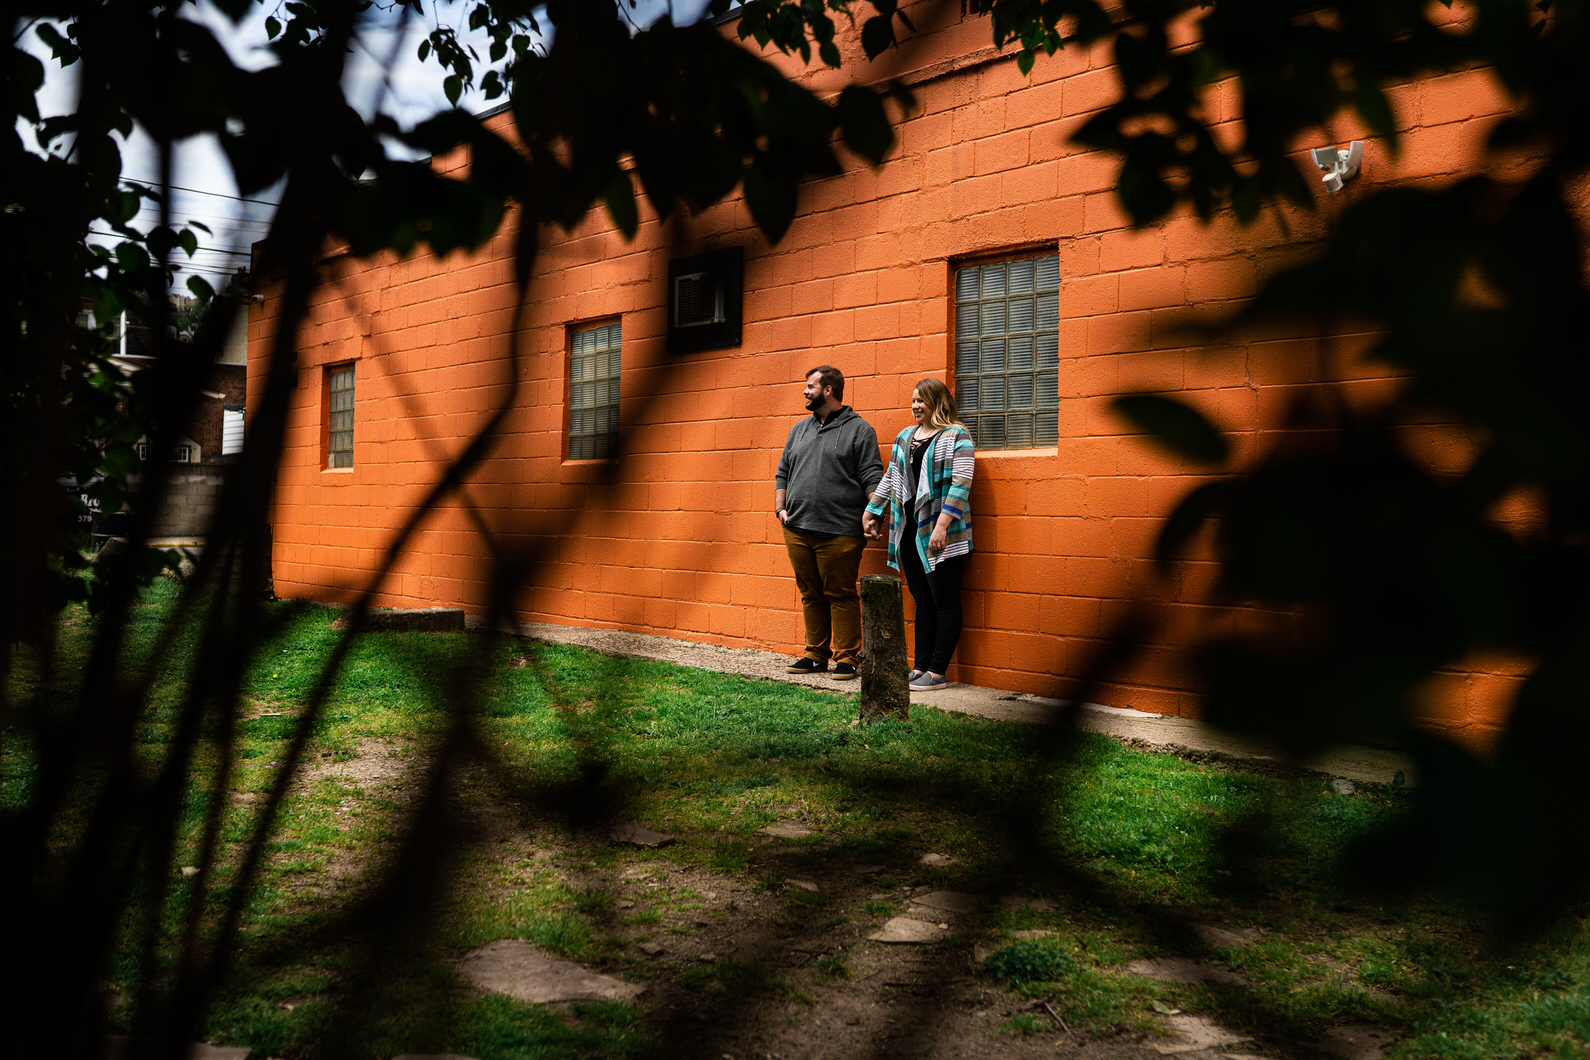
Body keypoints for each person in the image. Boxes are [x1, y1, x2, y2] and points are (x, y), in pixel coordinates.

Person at [862, 377, 975, 692]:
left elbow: (962, 482)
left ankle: (938, 672)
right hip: (908, 531)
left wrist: (942, 525)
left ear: (937, 403)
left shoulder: (958, 437)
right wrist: (873, 509)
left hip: (943, 534)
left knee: (945, 599)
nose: (914, 407)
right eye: (912, 401)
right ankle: (921, 666)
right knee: (923, 601)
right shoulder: (904, 437)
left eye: (920, 401)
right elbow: (891, 476)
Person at [774, 366, 883, 680]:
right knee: (810, 593)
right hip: (796, 528)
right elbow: (783, 472)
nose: (805, 391)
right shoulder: (799, 429)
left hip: (840, 532)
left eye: (810, 386)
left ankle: (847, 659)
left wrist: (874, 512)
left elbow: (872, 476)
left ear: (828, 391)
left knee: (840, 593)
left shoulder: (859, 430)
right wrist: (780, 509)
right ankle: (814, 655)